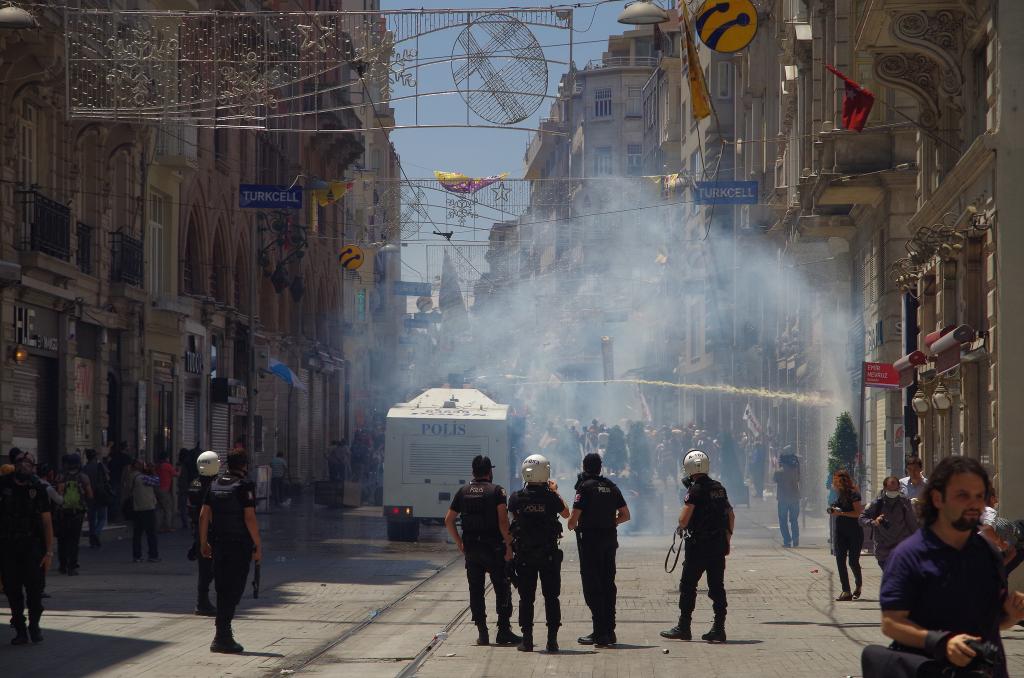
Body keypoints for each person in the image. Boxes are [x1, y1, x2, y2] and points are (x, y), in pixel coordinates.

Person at [863, 456, 1024, 678]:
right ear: (938, 499)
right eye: (962, 495)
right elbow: (891, 623)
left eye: (979, 496)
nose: (974, 504)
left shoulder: (987, 554)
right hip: (933, 668)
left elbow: (990, 620)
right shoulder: (909, 555)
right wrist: (941, 643)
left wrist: (1012, 616)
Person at [444, 455, 520, 647]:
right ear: (489, 472)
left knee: (476, 591)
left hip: (471, 548)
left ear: (473, 472)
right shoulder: (497, 491)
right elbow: (503, 522)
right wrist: (510, 544)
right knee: (502, 588)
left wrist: (459, 543)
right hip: (493, 548)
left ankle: (482, 632)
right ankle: (503, 631)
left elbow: (449, 520)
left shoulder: (463, 491)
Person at [661, 449, 735, 644]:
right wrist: (727, 539)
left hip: (698, 545)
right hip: (718, 544)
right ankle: (719, 628)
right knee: (717, 587)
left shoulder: (694, 490)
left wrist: (681, 520)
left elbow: (684, 520)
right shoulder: (719, 487)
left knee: (688, 586)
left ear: (689, 469)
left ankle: (684, 627)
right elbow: (731, 516)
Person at [200, 451, 262, 653]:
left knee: (222, 587)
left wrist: (203, 542)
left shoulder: (215, 484)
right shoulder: (244, 485)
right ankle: (222, 636)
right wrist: (258, 545)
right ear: (244, 465)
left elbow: (203, 515)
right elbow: (249, 518)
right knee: (234, 590)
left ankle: (222, 633)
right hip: (239, 546)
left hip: (219, 544)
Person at [508, 454, 570, 653]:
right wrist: (555, 491)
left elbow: (513, 520)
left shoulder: (516, 497)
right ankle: (552, 641)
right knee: (552, 598)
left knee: (526, 599)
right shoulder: (551, 498)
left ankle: (527, 641)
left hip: (525, 555)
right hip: (548, 555)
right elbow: (567, 513)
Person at [567, 452, 630, 647]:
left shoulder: (584, 488)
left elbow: (571, 522)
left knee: (593, 588)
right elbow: (626, 515)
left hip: (591, 544)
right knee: (608, 585)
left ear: (584, 466)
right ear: (600, 468)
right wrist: (610, 522)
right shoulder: (611, 487)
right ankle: (609, 632)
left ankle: (600, 633)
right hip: (609, 542)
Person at [0, 451, 53, 644]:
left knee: (35, 591)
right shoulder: (4, 484)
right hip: (8, 546)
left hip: (32, 547)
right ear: (15, 465)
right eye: (21, 463)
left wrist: (49, 551)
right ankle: (20, 629)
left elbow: (47, 521)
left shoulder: (37, 487)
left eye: (29, 464)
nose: (25, 466)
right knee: (12, 590)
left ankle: (34, 626)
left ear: (33, 467)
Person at [859, 476, 917, 571]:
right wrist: (873, 522)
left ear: (899, 488)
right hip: (883, 550)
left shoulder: (904, 503)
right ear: (885, 488)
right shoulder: (877, 504)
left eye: (895, 488)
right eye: (890, 488)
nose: (893, 491)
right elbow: (861, 518)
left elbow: (912, 524)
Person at [189, 451, 221, 617]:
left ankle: (203, 601)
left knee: (205, 568)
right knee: (210, 568)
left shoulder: (195, 483)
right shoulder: (213, 485)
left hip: (197, 529)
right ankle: (202, 602)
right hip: (209, 530)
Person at [828, 469, 864, 601]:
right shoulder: (837, 494)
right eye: (837, 482)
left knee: (853, 561)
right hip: (840, 532)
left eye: (841, 481)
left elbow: (857, 513)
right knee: (840, 560)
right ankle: (846, 590)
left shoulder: (854, 494)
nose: (838, 484)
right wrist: (833, 510)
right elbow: (833, 507)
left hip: (854, 531)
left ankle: (858, 585)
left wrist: (841, 513)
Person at [54, 453, 91, 576]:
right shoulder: (83, 477)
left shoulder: (61, 477)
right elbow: (90, 495)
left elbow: (58, 494)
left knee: (62, 539)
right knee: (74, 541)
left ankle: (62, 565)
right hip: (77, 513)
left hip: (63, 512)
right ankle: (72, 567)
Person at [128, 459, 160, 563]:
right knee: (151, 533)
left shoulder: (131, 476)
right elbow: (156, 481)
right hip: (147, 508)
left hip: (136, 507)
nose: (143, 465)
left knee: (137, 534)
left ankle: (136, 556)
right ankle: (153, 555)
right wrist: (153, 470)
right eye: (141, 464)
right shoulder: (141, 478)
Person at [82, 449, 112, 548]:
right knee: (102, 517)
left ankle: (92, 539)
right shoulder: (100, 466)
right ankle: (96, 533)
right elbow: (108, 478)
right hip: (101, 494)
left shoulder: (84, 468)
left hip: (89, 495)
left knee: (91, 518)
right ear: (95, 457)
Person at [773, 450, 801, 548]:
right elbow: (798, 479)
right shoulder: (795, 470)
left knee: (783, 520)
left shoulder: (779, 471)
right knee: (794, 520)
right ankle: (796, 539)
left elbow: (774, 480)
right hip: (795, 498)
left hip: (783, 499)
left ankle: (787, 540)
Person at [154, 452, 178, 532]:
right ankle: (167, 526)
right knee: (168, 508)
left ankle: (157, 526)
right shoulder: (167, 466)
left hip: (156, 488)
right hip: (164, 489)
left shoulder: (157, 466)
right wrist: (179, 470)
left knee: (159, 508)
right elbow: (176, 474)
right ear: (166, 458)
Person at [177, 447, 200, 531]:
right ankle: (194, 521)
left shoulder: (183, 465)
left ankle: (185, 523)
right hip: (194, 485)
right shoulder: (193, 464)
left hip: (185, 487)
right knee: (194, 504)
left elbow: (182, 478)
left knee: (183, 506)